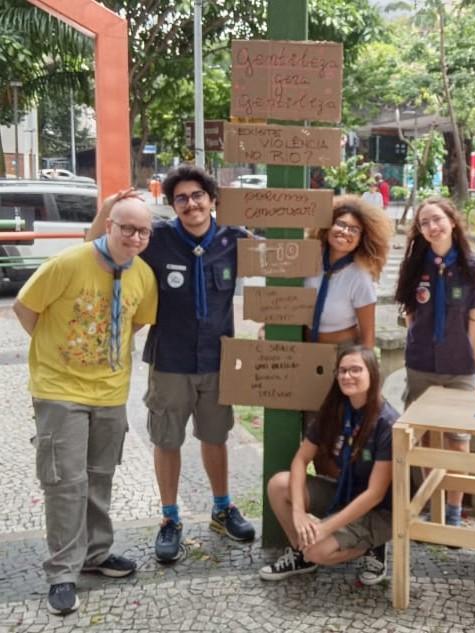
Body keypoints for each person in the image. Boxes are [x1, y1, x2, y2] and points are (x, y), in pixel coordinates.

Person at [86, 165, 256, 565]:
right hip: (170, 360)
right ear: (173, 205)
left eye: (197, 195)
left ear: (212, 199)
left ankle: (222, 508)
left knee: (215, 436)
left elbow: (286, 260)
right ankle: (170, 518)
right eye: (181, 198)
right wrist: (108, 208)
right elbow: (96, 245)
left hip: (216, 358)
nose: (191, 204)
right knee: (166, 440)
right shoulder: (157, 238)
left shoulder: (234, 239)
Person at [13, 196, 158, 616]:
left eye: (143, 231)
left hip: (110, 393)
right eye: (127, 228)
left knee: (99, 477)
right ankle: (62, 572)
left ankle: (96, 553)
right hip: (60, 392)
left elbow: (136, 321)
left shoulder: (143, 275)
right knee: (65, 483)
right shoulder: (68, 263)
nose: (134, 237)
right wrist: (54, 352)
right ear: (108, 225)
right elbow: (25, 308)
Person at [394, 196, 475, 528]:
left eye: (437, 219)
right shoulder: (414, 264)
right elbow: (410, 314)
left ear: (452, 221)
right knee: (426, 438)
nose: (432, 227)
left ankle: (454, 510)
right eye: (424, 222)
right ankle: (434, 505)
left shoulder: (473, 267)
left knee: (458, 440)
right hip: (421, 366)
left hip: (459, 368)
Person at [259, 345, 398, 585]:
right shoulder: (336, 410)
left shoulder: (386, 423)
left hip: (379, 510)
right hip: (344, 493)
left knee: (317, 549)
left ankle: (372, 544)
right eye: (342, 371)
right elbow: (300, 460)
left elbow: (375, 494)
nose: (347, 376)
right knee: (279, 484)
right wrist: (299, 513)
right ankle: (302, 555)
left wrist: (325, 528)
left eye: (356, 370)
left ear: (373, 374)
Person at [305, 195, 391, 348]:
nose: (345, 231)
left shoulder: (360, 276)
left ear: (361, 239)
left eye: (354, 230)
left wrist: (365, 360)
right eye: (340, 224)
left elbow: (368, 335)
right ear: (328, 226)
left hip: (343, 351)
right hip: (303, 347)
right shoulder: (308, 259)